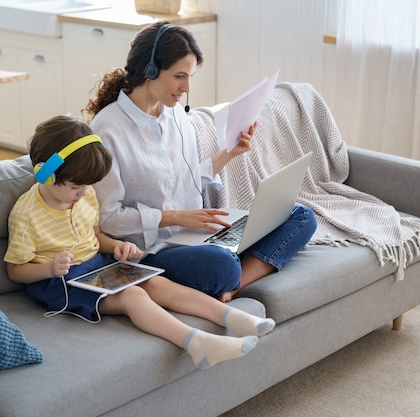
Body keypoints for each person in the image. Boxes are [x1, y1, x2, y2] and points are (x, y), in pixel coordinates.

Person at [4, 115, 275, 369]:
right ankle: (198, 343)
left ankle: (234, 318)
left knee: (154, 282)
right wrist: (49, 268)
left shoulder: (85, 197)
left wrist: (116, 246)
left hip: (97, 267)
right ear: (45, 175)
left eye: (87, 186)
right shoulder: (27, 215)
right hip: (59, 285)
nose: (84, 193)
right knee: (133, 295)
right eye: (76, 187)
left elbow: (96, 237)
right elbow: (15, 270)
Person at [84, 21, 317, 302]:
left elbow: (190, 176)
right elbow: (108, 218)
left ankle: (234, 286)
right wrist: (176, 217)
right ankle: (233, 276)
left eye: (191, 76)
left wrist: (230, 153)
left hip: (196, 235)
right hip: (154, 251)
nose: (187, 87)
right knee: (222, 266)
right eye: (179, 76)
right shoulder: (107, 129)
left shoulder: (175, 115)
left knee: (302, 216)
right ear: (150, 69)